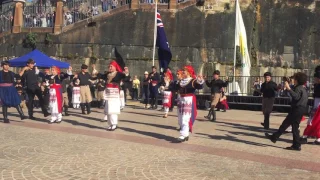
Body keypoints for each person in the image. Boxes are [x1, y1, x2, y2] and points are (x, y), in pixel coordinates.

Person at [265, 72, 308, 151]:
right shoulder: (302, 88)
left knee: (286, 124)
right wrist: (289, 87)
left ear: (297, 80)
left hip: (297, 109)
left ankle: (275, 137)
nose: (293, 80)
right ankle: (296, 145)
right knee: (294, 127)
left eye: (294, 79)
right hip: (301, 109)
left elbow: (296, 96)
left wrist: (288, 88)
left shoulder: (298, 88)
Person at [176, 65, 204, 142]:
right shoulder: (181, 81)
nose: (183, 72)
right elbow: (175, 88)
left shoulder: (192, 81)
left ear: (188, 72)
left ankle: (183, 134)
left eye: (184, 71)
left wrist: (200, 81)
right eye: (183, 70)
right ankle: (186, 134)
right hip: (181, 100)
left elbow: (200, 86)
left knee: (185, 117)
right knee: (181, 117)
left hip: (188, 100)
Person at [103, 60, 125, 131]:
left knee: (113, 110)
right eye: (109, 66)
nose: (110, 68)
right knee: (108, 109)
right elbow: (100, 76)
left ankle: (114, 124)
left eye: (111, 66)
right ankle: (110, 124)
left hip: (114, 94)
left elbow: (124, 76)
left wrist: (126, 73)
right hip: (108, 94)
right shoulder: (107, 74)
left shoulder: (118, 74)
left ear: (115, 67)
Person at [300, 66, 320, 145]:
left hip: (318, 105)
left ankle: (315, 136)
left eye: (316, 78)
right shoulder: (316, 85)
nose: (314, 80)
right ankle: (307, 135)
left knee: (315, 120)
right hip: (316, 103)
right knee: (312, 120)